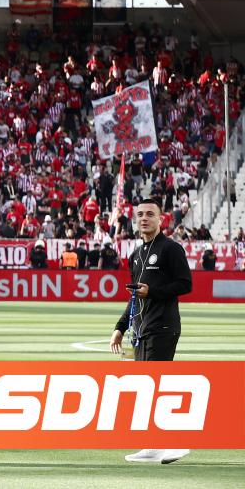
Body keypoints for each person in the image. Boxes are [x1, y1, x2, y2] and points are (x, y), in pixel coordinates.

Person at [110, 198, 192, 464]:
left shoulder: (171, 249)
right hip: (141, 330)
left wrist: (153, 292)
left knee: (159, 386)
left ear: (161, 219)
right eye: (140, 214)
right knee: (146, 388)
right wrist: (120, 327)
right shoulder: (136, 255)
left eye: (150, 214)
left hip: (164, 327)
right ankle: (152, 445)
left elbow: (185, 284)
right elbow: (135, 296)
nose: (144, 218)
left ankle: (177, 443)